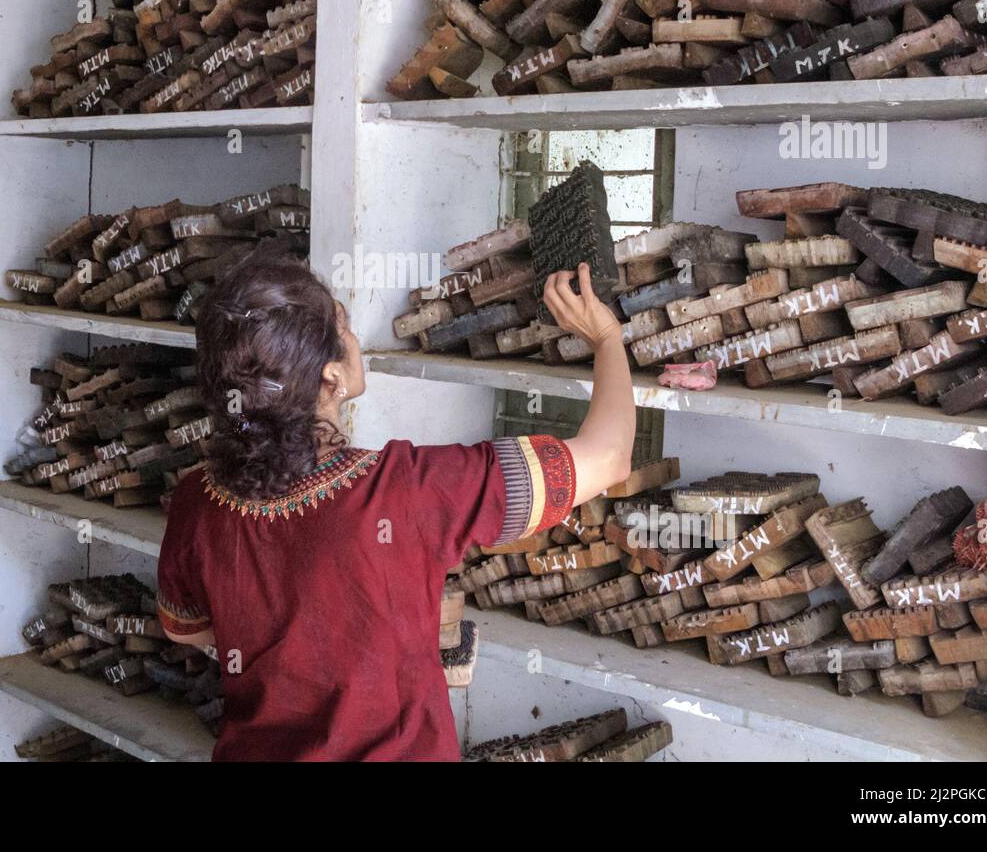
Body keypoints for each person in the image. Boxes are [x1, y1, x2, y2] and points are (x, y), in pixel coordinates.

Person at [156, 250, 636, 761]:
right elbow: (609, 458)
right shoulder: (410, 491)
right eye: (345, 329)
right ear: (331, 378)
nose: (357, 340)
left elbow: (186, 628)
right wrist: (606, 340)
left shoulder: (196, 500)